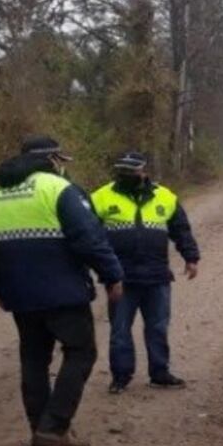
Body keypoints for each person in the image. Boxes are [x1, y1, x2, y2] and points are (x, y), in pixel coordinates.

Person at [0, 135, 124, 446]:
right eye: (61, 161)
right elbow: (89, 238)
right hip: (63, 291)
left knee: (33, 358)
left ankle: (39, 428)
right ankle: (55, 425)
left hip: (20, 296)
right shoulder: (57, 189)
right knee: (81, 351)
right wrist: (112, 275)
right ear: (53, 160)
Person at [90, 151, 200, 394]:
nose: (127, 174)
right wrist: (100, 269)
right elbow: (89, 237)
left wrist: (191, 257)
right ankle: (120, 377)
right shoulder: (100, 197)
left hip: (157, 276)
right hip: (120, 278)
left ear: (144, 171)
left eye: (132, 170)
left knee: (158, 327)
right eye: (122, 170)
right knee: (120, 330)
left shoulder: (165, 196)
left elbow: (181, 229)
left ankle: (160, 373)